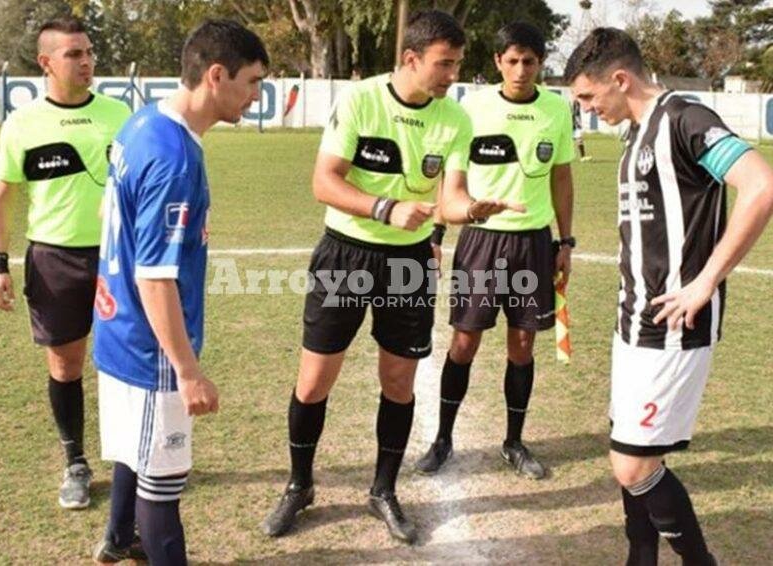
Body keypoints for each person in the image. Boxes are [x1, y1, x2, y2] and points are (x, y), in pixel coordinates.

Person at [261, 10, 521, 544]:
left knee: (398, 382)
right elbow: (324, 182)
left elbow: (447, 197)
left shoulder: (456, 119)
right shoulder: (361, 100)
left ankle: (383, 490)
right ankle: (299, 484)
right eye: (443, 64)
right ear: (411, 59)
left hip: (407, 265)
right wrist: (384, 209)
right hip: (345, 255)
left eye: (456, 64)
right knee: (314, 381)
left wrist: (470, 209)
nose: (452, 75)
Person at [564, 28, 773, 565]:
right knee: (631, 447)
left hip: (672, 325)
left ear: (620, 79)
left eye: (588, 98)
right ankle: (642, 557)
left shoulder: (685, 118)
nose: (587, 111)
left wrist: (705, 281)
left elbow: (761, 185)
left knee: (632, 465)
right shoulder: (635, 133)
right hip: (632, 319)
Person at [90, 20, 268, 564]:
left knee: (135, 447)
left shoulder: (143, 122)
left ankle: (119, 538)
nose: (258, 95)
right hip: (150, 348)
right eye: (253, 82)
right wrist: (187, 371)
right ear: (217, 76)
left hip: (117, 328)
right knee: (164, 481)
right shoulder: (174, 157)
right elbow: (155, 275)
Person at [415, 22, 575, 480]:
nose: (521, 70)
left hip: (533, 241)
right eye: (512, 60)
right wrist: (438, 233)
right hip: (482, 240)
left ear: (541, 63)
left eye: (529, 61)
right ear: (497, 62)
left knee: (522, 345)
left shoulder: (557, 110)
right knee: (464, 341)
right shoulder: (472, 109)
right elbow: (452, 177)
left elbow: (562, 178)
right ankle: (443, 438)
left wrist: (565, 241)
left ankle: (514, 441)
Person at [0, 16, 131, 510]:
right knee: (66, 365)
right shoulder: (22, 124)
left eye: (88, 51)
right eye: (74, 54)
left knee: (127, 359)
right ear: (46, 62)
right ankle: (76, 463)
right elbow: (2, 197)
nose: (86, 61)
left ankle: (133, 461)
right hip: (53, 259)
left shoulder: (120, 113)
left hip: (117, 256)